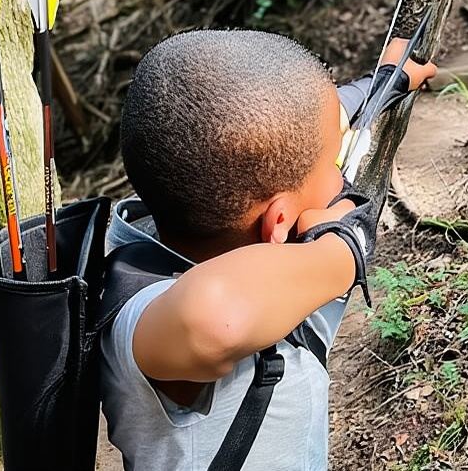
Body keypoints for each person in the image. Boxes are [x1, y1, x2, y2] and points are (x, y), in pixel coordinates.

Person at [103, 28, 435, 470]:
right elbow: (212, 322)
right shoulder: (138, 307)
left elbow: (273, 125)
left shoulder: (205, 210)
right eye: (333, 168)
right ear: (278, 221)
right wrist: (344, 249)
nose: (342, 183)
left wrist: (385, 80)